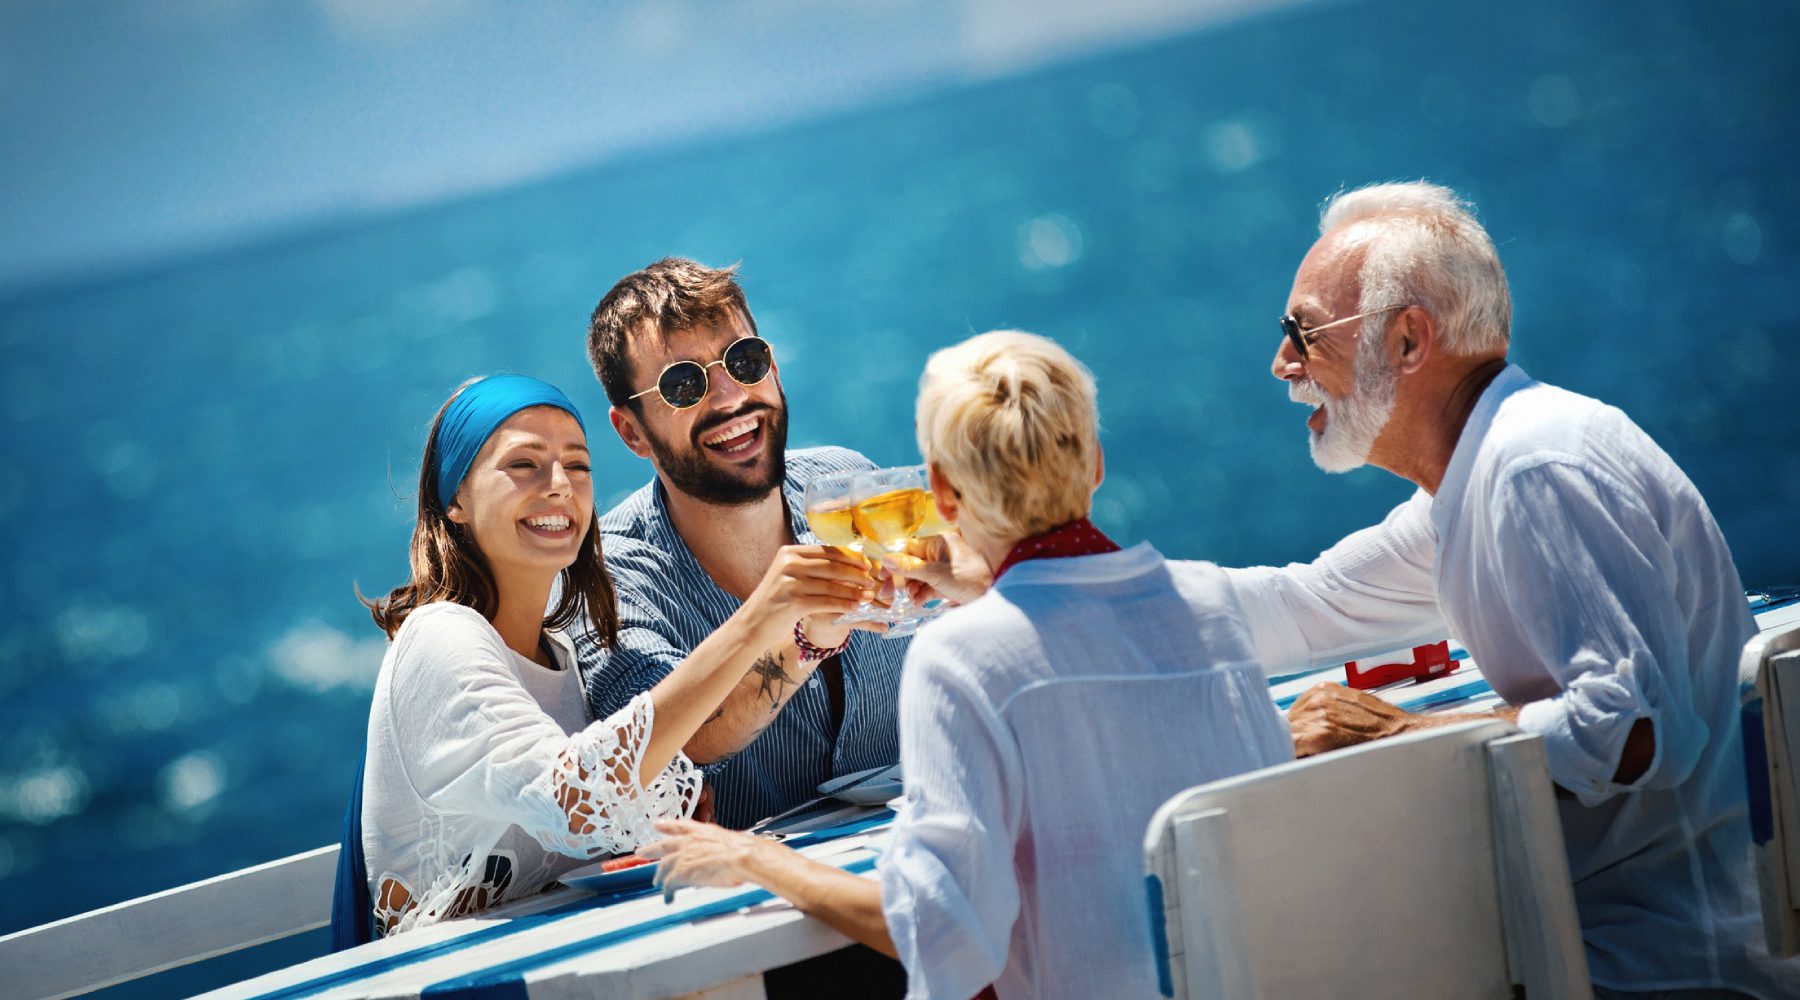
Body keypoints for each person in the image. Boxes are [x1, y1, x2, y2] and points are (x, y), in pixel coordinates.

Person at [1224, 181, 1799, 998]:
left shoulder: (1534, 470)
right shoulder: (1477, 476)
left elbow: (1631, 729)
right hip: (1619, 938)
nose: (1283, 362)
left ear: (1409, 339)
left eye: (1303, 332)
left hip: (1673, 961)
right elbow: (1306, 606)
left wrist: (1402, 736)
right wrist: (1034, 588)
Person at [638, 330, 1296, 1000]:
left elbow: (937, 933)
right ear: (1096, 464)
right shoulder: (1213, 605)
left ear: (943, 498)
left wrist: (758, 859)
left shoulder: (960, 657)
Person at [350, 374, 811, 938]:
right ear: (455, 501)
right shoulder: (439, 636)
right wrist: (760, 616)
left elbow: (611, 805)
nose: (559, 485)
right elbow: (578, 796)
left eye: (578, 465)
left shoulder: (562, 655)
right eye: (524, 465)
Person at [577, 258, 908, 833]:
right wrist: (798, 634)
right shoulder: (611, 580)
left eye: (744, 361)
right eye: (684, 385)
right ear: (631, 432)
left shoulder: (850, 481)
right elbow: (671, 744)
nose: (731, 398)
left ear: (773, 368)